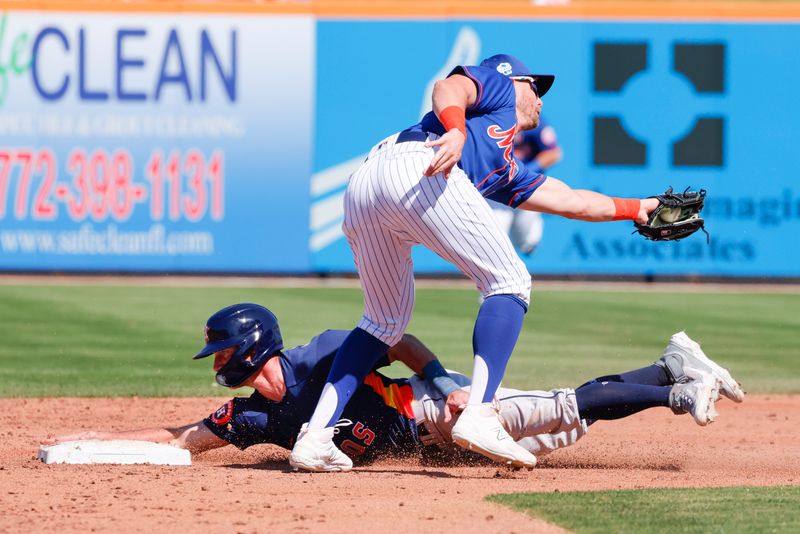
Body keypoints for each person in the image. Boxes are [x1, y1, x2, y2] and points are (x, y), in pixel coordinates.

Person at [289, 52, 661, 472]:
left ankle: (316, 437)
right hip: (420, 165)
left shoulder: (503, 169)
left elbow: (571, 201)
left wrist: (637, 208)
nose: (540, 99)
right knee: (510, 281)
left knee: (383, 322)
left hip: (367, 186)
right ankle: (480, 413)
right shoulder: (498, 90)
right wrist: (454, 130)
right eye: (536, 87)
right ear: (513, 80)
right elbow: (449, 87)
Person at [43, 303, 745, 469]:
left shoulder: (320, 355)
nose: (220, 363)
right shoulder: (251, 417)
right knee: (565, 421)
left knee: (561, 414)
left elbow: (399, 340)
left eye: (222, 351)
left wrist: (446, 382)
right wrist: (86, 446)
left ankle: (674, 384)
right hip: (430, 455)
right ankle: (670, 369)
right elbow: (180, 441)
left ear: (247, 345)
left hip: (439, 414)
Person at [488, 116, 562, 255]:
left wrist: (525, 171)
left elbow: (554, 153)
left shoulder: (531, 118)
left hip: (526, 187)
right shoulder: (490, 118)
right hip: (497, 188)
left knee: (526, 241)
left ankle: (530, 238)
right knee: (496, 237)